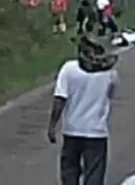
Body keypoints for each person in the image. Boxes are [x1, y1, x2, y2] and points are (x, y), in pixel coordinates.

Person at [47, 34, 119, 185]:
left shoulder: (69, 69)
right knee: (94, 173)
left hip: (72, 130)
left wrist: (52, 125)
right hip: (97, 132)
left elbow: (60, 99)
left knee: (69, 170)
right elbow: (109, 96)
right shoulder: (110, 74)